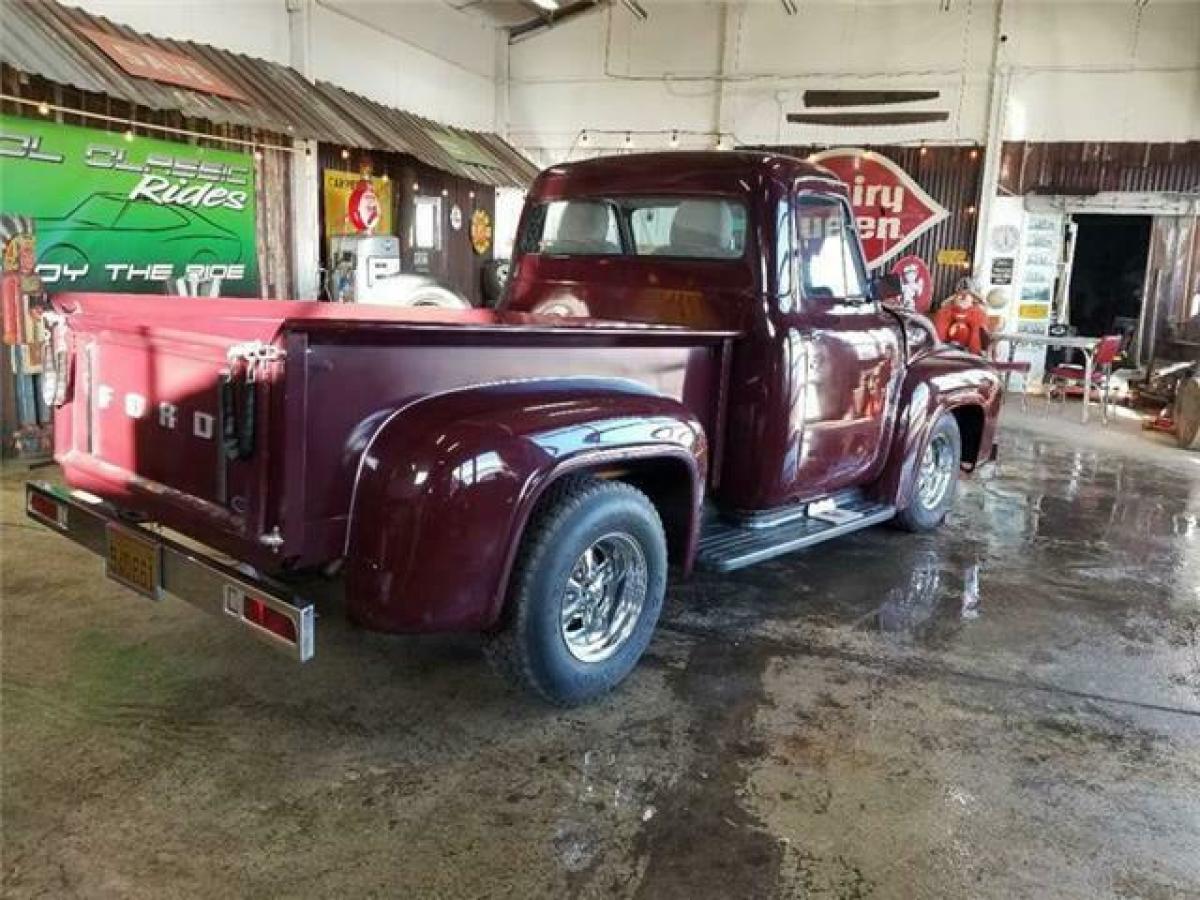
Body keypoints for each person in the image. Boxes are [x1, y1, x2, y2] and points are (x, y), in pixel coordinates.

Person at [932, 277, 991, 355]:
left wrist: (974, 353)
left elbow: (980, 336)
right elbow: (939, 332)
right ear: (954, 298)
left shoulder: (979, 313)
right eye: (960, 294)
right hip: (947, 351)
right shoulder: (945, 312)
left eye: (967, 295)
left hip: (969, 354)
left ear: (973, 299)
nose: (963, 297)